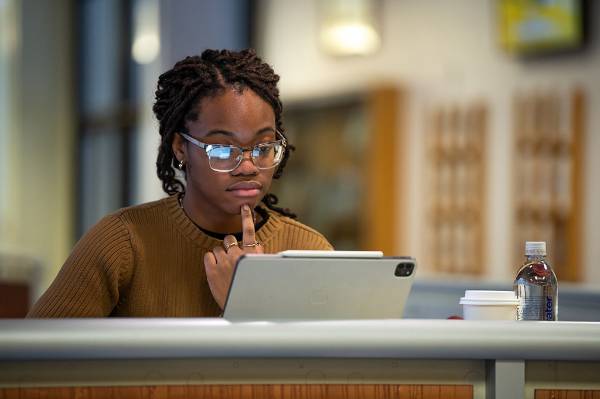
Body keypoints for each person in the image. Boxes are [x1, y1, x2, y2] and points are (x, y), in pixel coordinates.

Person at [27, 49, 333, 317]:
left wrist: (249, 306)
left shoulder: (310, 252)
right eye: (223, 149)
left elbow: (328, 378)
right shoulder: (123, 244)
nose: (249, 166)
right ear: (180, 147)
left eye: (263, 147)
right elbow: (32, 365)